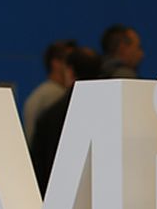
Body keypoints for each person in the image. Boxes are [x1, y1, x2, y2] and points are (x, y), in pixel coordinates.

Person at [31, 47, 103, 188]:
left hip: (55, 195)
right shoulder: (112, 112)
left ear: (69, 71)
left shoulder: (52, 115)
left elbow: (39, 166)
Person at [23, 40, 78, 143]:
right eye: (70, 62)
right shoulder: (55, 96)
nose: (74, 67)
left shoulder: (39, 93)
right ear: (56, 63)